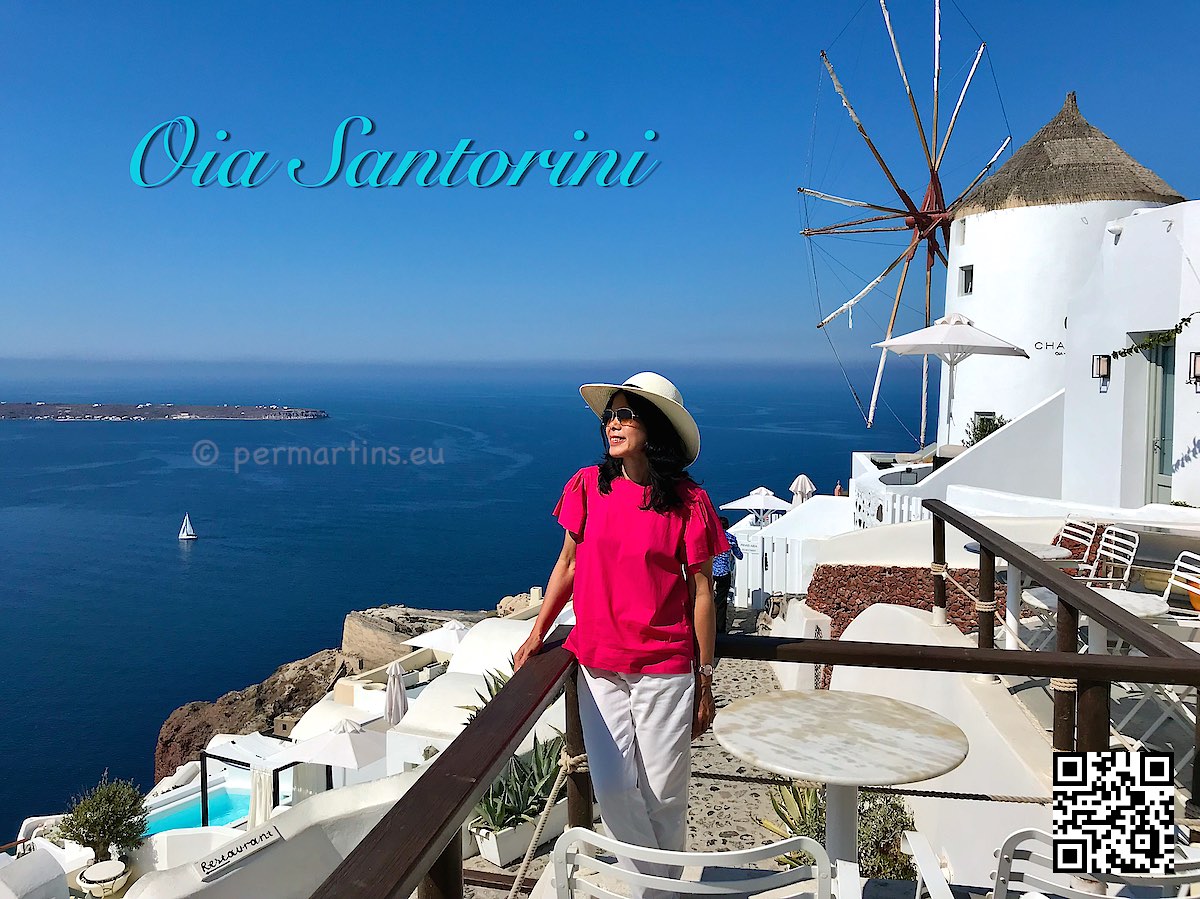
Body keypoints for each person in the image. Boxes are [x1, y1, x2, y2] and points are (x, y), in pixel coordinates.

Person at [514, 371, 728, 894]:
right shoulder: (587, 486)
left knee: (663, 794)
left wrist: (705, 678)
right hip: (598, 665)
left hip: (666, 669)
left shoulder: (686, 501)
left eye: (625, 415)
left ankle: (655, 889)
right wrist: (536, 633)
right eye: (610, 415)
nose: (612, 423)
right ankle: (658, 886)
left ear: (652, 428)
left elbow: (702, 593)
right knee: (612, 789)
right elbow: (567, 565)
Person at [711, 515, 743, 634]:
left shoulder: (712, 537)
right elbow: (739, 555)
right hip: (724, 572)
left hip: (712, 572)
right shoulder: (731, 538)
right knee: (721, 601)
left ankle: (709, 624)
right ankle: (720, 628)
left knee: (707, 598)